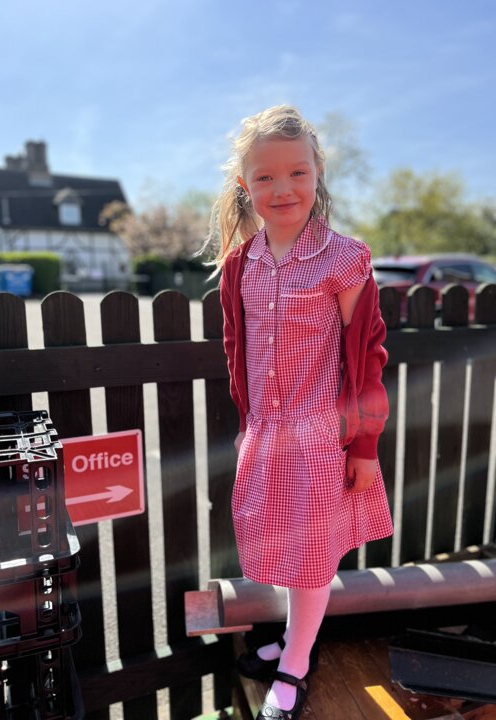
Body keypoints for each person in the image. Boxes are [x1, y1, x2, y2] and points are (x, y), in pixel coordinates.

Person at [207, 105, 394, 720]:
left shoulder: (344, 258)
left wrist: (363, 447)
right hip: (267, 436)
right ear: (245, 185)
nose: (282, 188)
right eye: (264, 176)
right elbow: (238, 349)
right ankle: (293, 639)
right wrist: (247, 425)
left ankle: (294, 665)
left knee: (312, 559)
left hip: (321, 440)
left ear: (318, 174)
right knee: (286, 548)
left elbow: (367, 355)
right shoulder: (241, 263)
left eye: (297, 172)